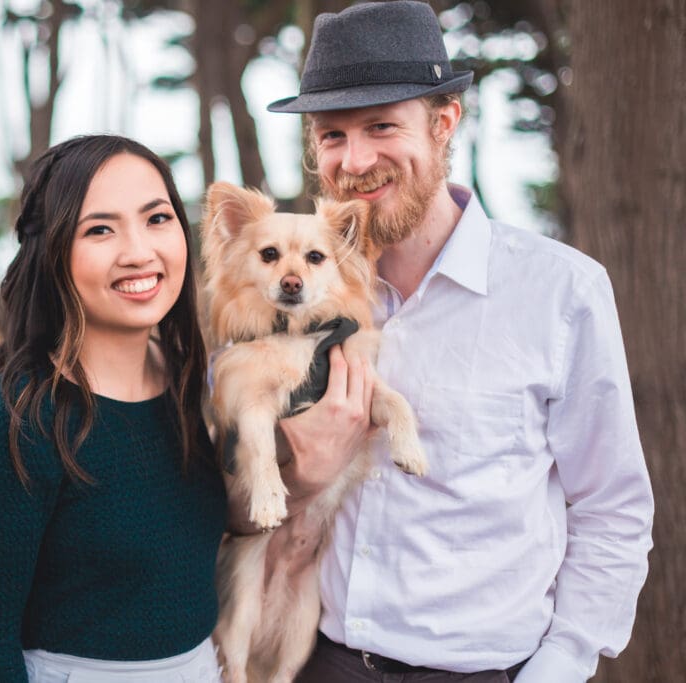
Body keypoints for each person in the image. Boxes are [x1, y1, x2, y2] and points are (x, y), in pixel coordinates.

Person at [249, 2, 655, 681]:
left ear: (444, 125)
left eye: (382, 126)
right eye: (332, 135)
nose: (356, 160)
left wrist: (560, 662)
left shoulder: (563, 293)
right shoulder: (289, 300)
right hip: (317, 661)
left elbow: (612, 509)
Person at [0, 135, 226, 682]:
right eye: (100, 229)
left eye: (157, 219)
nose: (139, 251)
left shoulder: (188, 379)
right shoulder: (17, 422)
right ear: (52, 252)